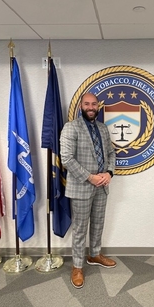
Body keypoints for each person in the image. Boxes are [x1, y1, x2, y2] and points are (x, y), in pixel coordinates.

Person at [60, 92, 116, 289]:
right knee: (80, 228)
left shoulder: (103, 128)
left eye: (94, 104)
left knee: (98, 223)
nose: (91, 107)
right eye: (87, 104)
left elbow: (111, 152)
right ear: (81, 106)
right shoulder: (71, 127)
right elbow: (66, 159)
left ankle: (94, 254)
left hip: (102, 185)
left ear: (98, 106)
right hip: (82, 186)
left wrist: (109, 173)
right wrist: (90, 177)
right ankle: (77, 266)